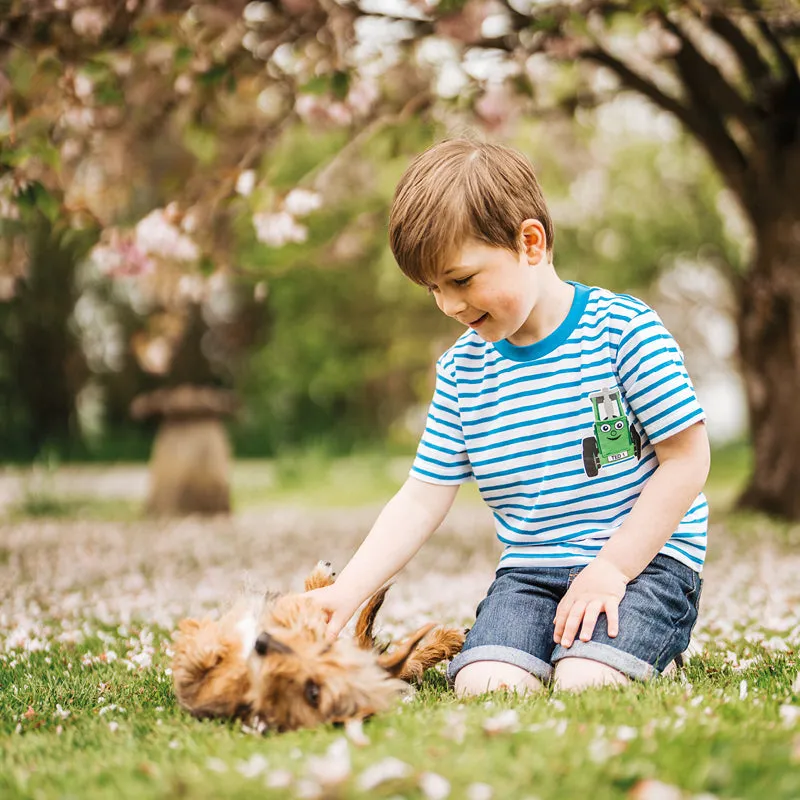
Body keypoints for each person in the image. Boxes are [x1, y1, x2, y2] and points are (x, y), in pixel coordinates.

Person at [306, 138, 710, 695]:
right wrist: (347, 590)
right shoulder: (461, 373)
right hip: (530, 574)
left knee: (587, 681)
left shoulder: (624, 332)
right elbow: (422, 497)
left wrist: (612, 569)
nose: (448, 305)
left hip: (644, 564)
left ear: (530, 243)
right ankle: (560, 647)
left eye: (461, 280)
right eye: (433, 289)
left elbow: (687, 460)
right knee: (484, 684)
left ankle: (647, 648)